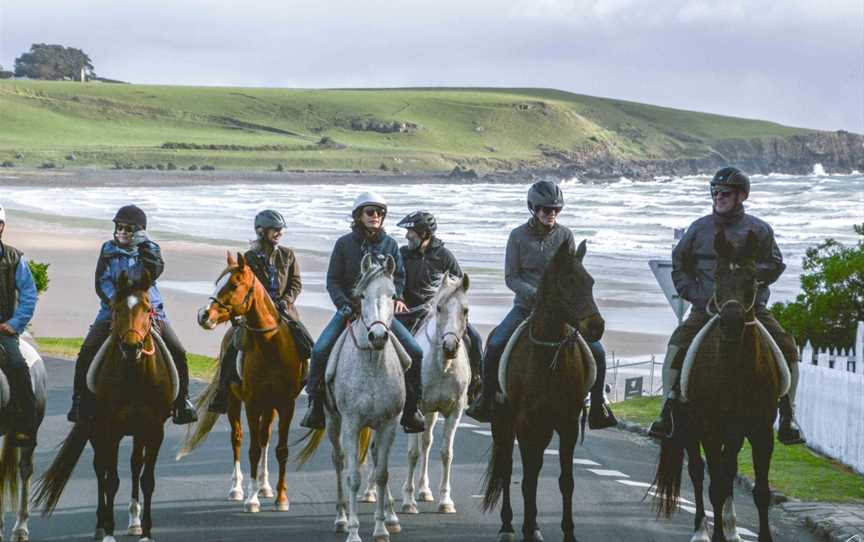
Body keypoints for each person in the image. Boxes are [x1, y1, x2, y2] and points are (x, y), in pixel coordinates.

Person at [648, 167, 804, 445]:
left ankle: (788, 414)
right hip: (706, 307)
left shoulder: (759, 229)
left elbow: (776, 263)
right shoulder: (698, 229)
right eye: (715, 192)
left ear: (741, 196)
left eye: (726, 193)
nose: (719, 197)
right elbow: (680, 266)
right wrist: (696, 296)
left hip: (750, 307)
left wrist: (748, 278)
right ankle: (667, 407)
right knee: (677, 343)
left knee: (788, 346)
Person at [465, 181, 618, 429]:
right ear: (533, 209)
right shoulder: (517, 236)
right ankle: (487, 399)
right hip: (526, 307)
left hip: (560, 311)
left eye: (556, 210)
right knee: (494, 345)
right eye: (546, 210)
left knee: (598, 352)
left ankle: (598, 405)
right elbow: (511, 277)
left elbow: (570, 271)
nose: (552, 214)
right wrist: (535, 295)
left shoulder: (566, 235)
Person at [300, 192, 426, 433]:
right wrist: (343, 304)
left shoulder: (389, 244)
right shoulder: (344, 244)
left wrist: (397, 297)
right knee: (320, 349)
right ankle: (315, 407)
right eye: (370, 212)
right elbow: (333, 280)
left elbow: (398, 276)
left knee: (416, 352)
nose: (376, 216)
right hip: (351, 310)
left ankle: (412, 409)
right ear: (359, 216)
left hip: (381, 314)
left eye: (380, 213)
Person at [66, 205, 198, 425]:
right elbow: (101, 281)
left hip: (148, 310)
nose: (121, 232)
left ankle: (182, 402)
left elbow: (153, 272)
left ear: (139, 231)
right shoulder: (107, 249)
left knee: (178, 350)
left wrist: (147, 249)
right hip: (113, 309)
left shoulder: (150, 250)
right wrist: (115, 301)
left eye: (127, 229)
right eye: (119, 227)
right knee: (88, 348)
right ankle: (79, 400)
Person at [208, 209, 314, 413]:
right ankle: (221, 393)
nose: (279, 233)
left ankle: (312, 385)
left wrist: (286, 300)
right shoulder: (248, 258)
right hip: (256, 313)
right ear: (261, 231)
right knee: (231, 346)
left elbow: (296, 283)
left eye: (280, 230)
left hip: (285, 311)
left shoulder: (288, 255)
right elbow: (243, 287)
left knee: (307, 343)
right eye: (275, 230)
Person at [395, 210, 484, 400]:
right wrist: (399, 298)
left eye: (411, 232)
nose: (407, 236)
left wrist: (446, 306)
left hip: (438, 313)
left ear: (424, 233)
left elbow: (459, 285)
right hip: (408, 312)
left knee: (475, 339)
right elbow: (397, 280)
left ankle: (476, 384)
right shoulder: (402, 254)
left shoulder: (444, 255)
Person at [0, 204, 39, 447]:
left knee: (17, 365)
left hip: (3, 329)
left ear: (1, 227)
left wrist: (14, 324)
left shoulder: (15, 258)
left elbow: (29, 294)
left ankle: (25, 427)